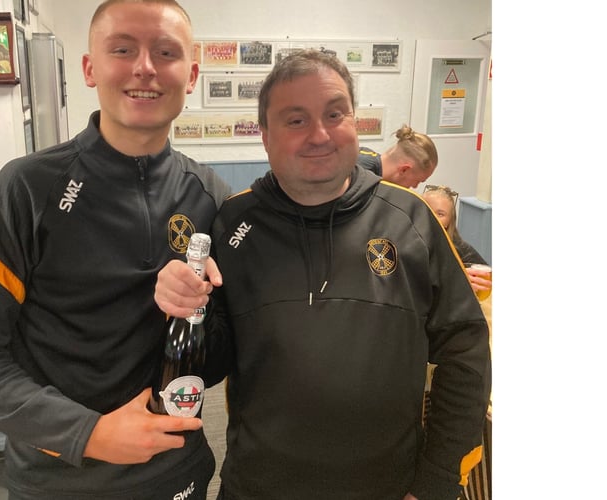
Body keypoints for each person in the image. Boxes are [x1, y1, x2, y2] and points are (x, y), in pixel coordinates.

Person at [155, 49, 491, 500]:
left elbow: (465, 350)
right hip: (258, 488)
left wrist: (435, 482)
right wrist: (185, 309)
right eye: (295, 120)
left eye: (335, 114)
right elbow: (210, 366)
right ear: (265, 136)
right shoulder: (233, 224)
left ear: (355, 121)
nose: (320, 134)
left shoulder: (411, 220)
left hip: (388, 489)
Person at [0, 1, 232, 499]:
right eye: (122, 49)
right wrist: (87, 434)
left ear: (191, 74)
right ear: (90, 69)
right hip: (59, 481)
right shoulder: (25, 190)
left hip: (178, 474)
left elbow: (218, 358)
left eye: (165, 52)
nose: (145, 68)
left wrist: (195, 312)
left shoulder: (210, 196)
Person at [422, 184, 491, 295]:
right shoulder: (403, 240)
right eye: (427, 209)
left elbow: (485, 278)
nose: (432, 217)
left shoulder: (460, 249)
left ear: (450, 221)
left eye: (440, 214)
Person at [357, 125, 438, 188]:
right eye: (418, 181)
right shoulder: (361, 173)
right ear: (404, 170)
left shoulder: (373, 171)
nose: (414, 187)